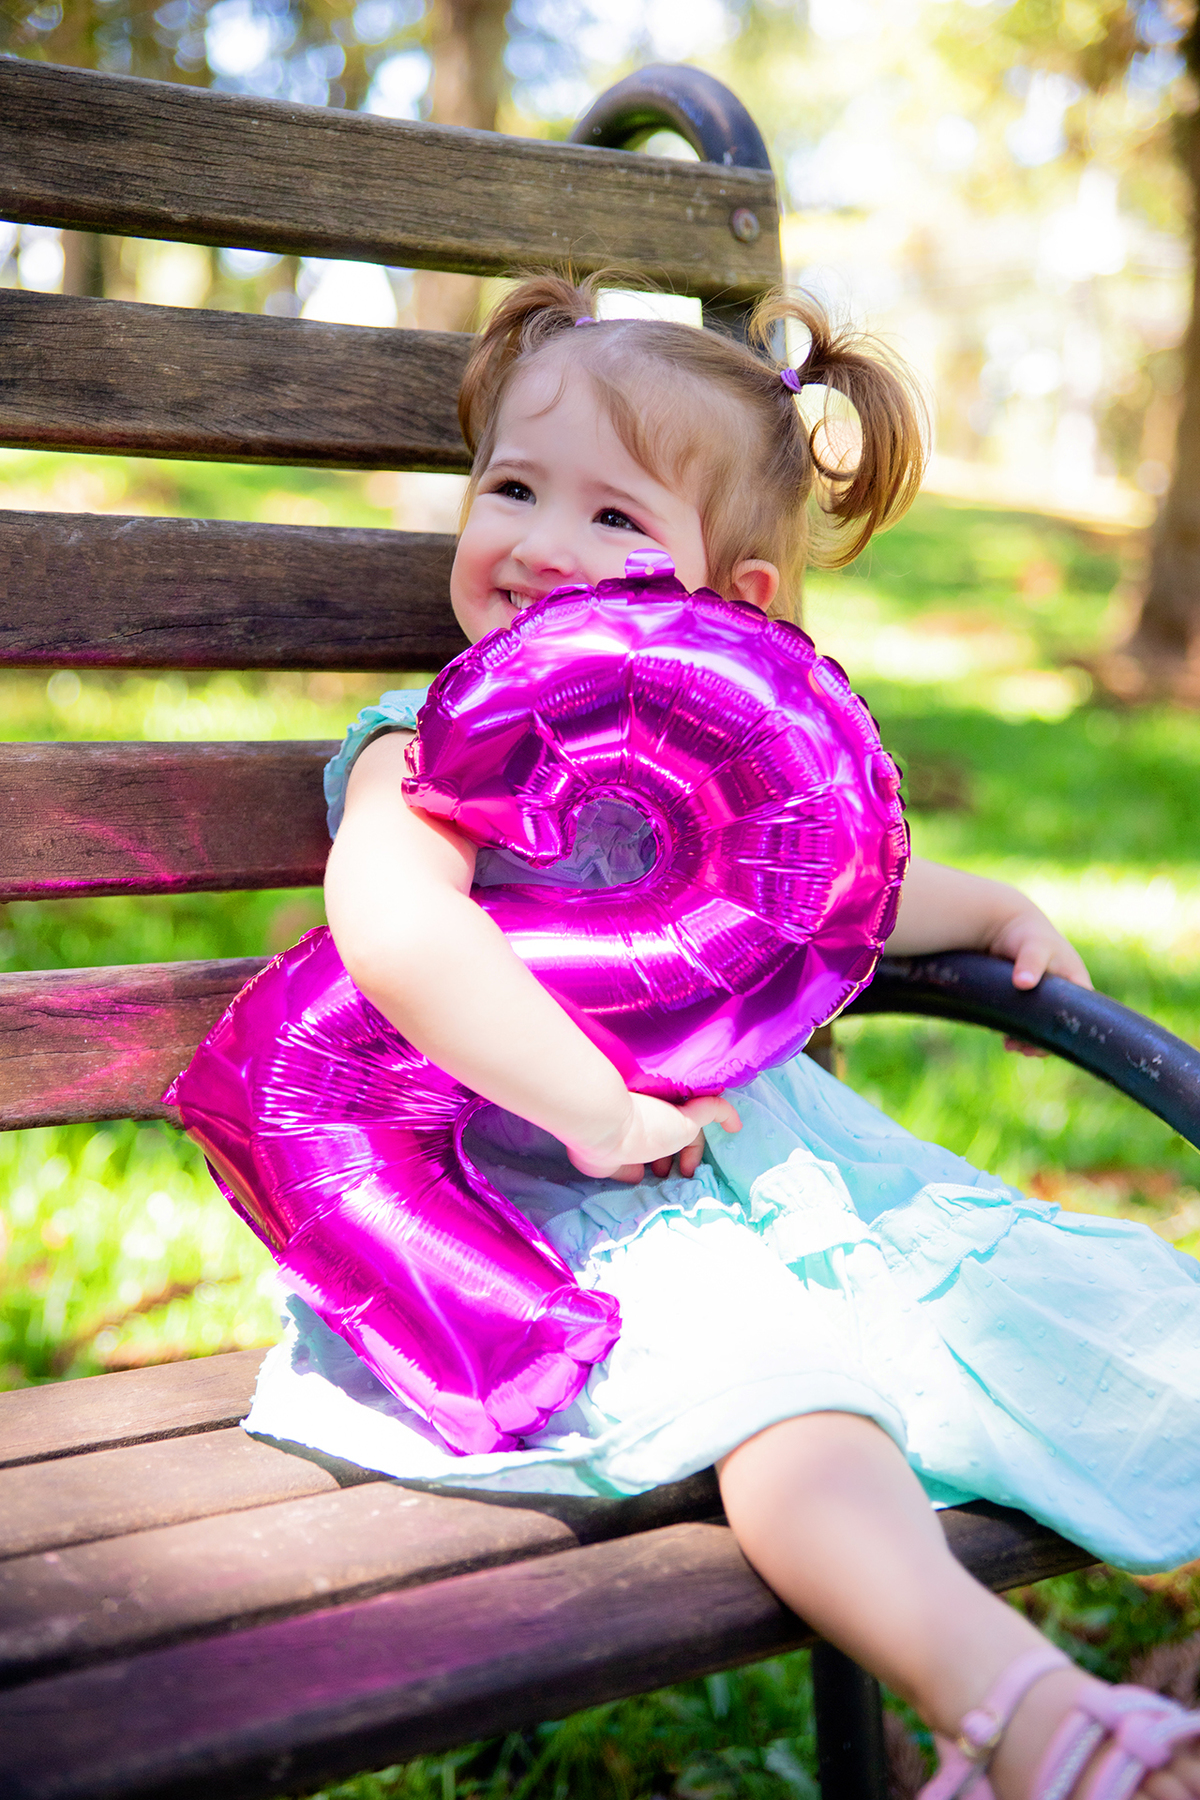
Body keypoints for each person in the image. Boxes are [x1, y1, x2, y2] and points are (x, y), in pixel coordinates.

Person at [247, 273, 1200, 1800]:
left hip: (780, 1180)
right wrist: (591, 1106)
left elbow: (824, 896)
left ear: (729, 599)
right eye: (512, 488)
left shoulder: (716, 739)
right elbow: (395, 924)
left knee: (1108, 1325)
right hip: (538, 1217)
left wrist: (997, 906)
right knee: (787, 1403)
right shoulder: (426, 746)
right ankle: (1027, 1718)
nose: (546, 543)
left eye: (617, 519)